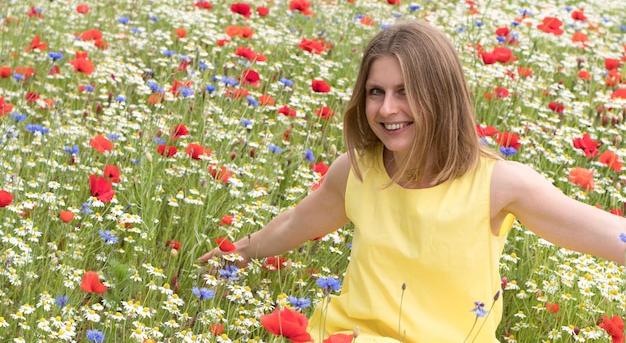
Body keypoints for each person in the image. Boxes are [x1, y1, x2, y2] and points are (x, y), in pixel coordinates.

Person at [198, 20, 626, 343]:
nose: (387, 109)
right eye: (375, 92)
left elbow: (607, 233)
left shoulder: (498, 183)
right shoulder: (357, 169)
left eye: (404, 91)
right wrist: (232, 256)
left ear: (440, 95)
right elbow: (294, 224)